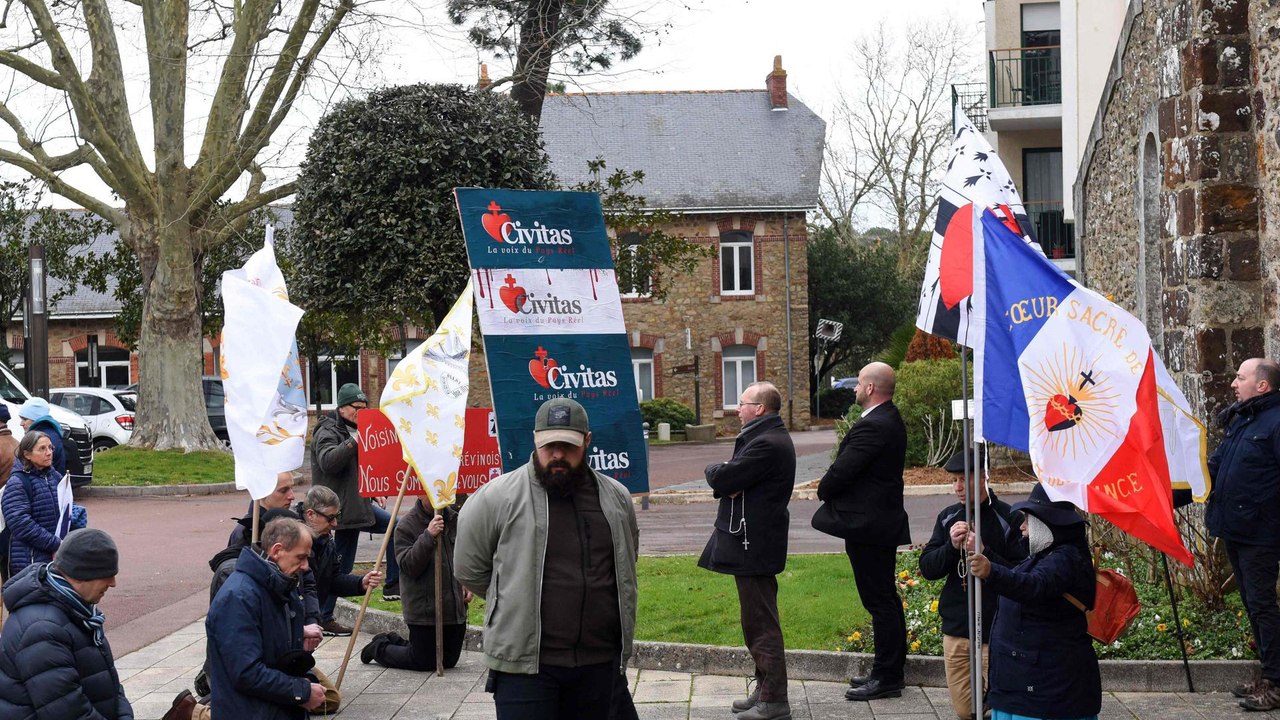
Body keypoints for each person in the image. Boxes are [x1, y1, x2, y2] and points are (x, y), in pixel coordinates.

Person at [455, 397, 639, 720]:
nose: (557, 455)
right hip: (525, 671)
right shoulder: (496, 497)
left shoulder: (616, 499)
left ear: (587, 441)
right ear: (535, 440)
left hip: (598, 665)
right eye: (549, 445)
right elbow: (470, 568)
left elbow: (626, 561)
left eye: (567, 446)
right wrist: (514, 592)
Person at [697, 381, 795, 720]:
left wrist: (717, 471)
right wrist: (730, 480)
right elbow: (732, 481)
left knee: (761, 623)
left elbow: (724, 478)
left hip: (754, 544)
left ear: (760, 409)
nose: (737, 409)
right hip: (751, 541)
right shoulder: (763, 438)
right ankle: (764, 689)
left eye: (742, 403)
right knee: (754, 620)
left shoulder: (766, 443)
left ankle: (774, 699)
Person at [817, 361, 911, 702]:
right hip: (876, 524)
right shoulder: (886, 419)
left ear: (871, 388)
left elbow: (844, 470)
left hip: (869, 526)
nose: (854, 388)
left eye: (858, 383)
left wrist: (824, 488)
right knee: (883, 599)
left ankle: (887, 676)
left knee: (880, 601)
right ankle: (887, 672)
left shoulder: (876, 425)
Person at [967, 484, 1101, 720]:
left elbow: (1034, 586)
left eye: (1028, 520)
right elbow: (1021, 578)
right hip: (1030, 689)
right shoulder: (1048, 555)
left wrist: (991, 572)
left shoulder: (1065, 558)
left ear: (1047, 522)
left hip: (1047, 693)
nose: (1022, 527)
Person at [918, 449, 1025, 719]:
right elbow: (928, 568)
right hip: (957, 630)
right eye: (953, 480)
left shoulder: (1008, 518)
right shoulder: (947, 517)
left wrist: (985, 551)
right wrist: (951, 547)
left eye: (963, 479)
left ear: (983, 477)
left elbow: (1021, 574)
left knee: (1000, 708)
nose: (957, 487)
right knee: (966, 712)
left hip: (994, 630)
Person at [1206, 357, 1280, 711]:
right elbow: (1216, 466)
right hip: (1237, 530)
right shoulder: (1243, 421)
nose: (1234, 383)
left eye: (1240, 377)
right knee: (1253, 604)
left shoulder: (1276, 422)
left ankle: (1277, 683)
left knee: (1263, 606)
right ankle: (1269, 675)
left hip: (1262, 534)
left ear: (1262, 385)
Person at [0, 528, 133, 719]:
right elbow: (68, 712)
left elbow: (110, 685)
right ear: (81, 574)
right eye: (106, 574)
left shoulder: (78, 611)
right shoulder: (42, 630)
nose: (113, 583)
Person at [205, 517, 327, 719]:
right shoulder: (239, 597)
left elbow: (280, 657)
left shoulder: (281, 585)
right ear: (277, 550)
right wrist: (302, 692)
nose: (306, 566)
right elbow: (246, 672)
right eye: (300, 557)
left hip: (274, 708)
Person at [311, 382, 401, 604]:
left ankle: (392, 585)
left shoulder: (358, 429)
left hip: (358, 505)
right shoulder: (327, 431)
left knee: (395, 526)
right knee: (340, 567)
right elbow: (328, 462)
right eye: (356, 408)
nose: (361, 412)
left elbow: (359, 469)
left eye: (364, 408)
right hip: (339, 511)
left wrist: (373, 491)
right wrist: (355, 440)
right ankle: (324, 615)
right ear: (342, 408)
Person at [361, 496, 471, 670]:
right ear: (420, 494)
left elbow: (465, 557)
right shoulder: (406, 526)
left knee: (448, 662)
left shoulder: (455, 520)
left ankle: (397, 641)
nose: (439, 497)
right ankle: (379, 648)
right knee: (424, 661)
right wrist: (428, 536)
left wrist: (466, 583)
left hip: (453, 608)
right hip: (424, 611)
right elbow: (408, 566)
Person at [297, 485, 383, 636]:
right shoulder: (290, 538)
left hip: (311, 620)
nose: (335, 524)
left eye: (337, 516)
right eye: (330, 518)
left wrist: (360, 583)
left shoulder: (326, 541)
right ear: (310, 514)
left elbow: (332, 579)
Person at [2, 432, 72, 577]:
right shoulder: (18, 482)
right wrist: (55, 543)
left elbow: (66, 507)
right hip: (30, 560)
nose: (49, 453)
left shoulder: (55, 477)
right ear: (27, 454)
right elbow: (20, 524)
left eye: (50, 448)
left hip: (55, 556)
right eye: (42, 449)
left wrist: (76, 516)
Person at [18, 396, 68, 475]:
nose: (21, 423)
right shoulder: (51, 433)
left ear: (36, 419)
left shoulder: (42, 439)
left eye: (25, 419)